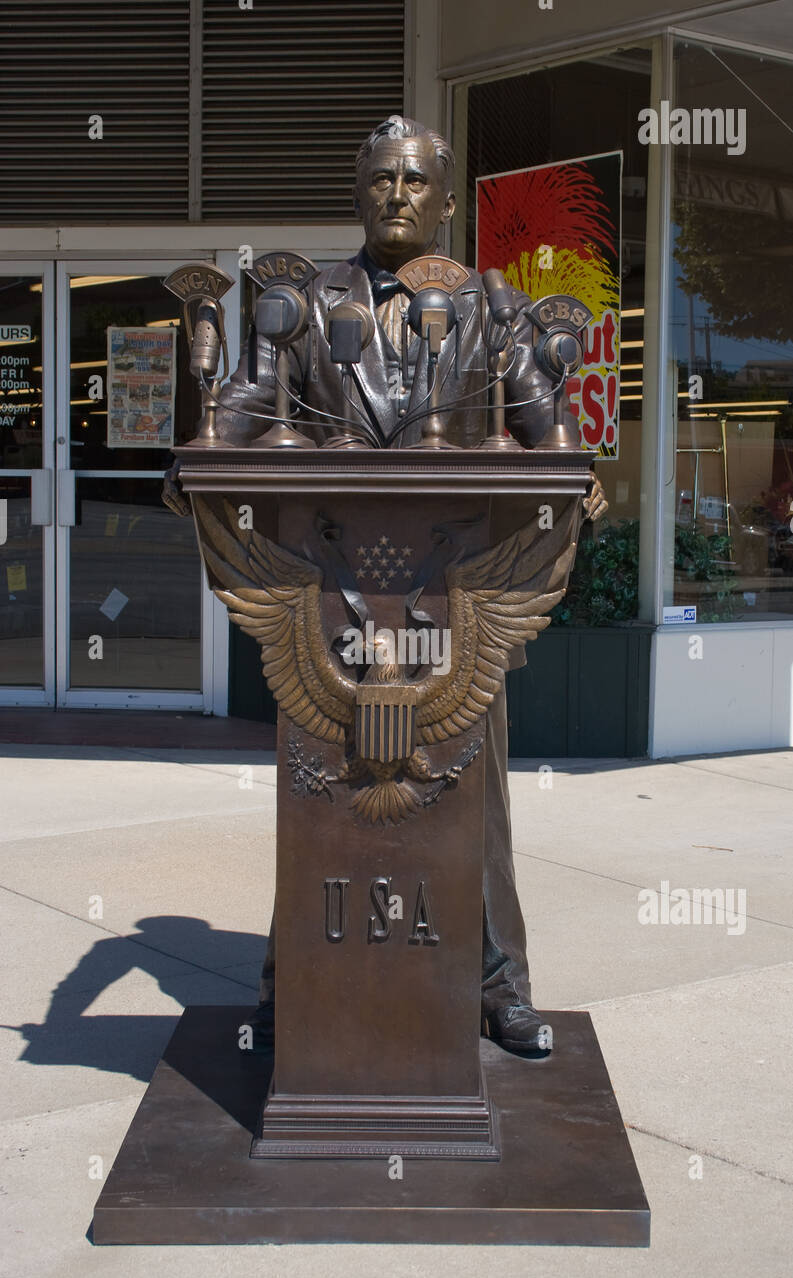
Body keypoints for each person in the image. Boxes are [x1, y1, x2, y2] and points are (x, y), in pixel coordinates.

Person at [165, 114, 607, 1057]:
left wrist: (568, 467)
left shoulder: (489, 305)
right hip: (327, 585)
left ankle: (496, 984)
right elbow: (249, 398)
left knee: (471, 786)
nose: (396, 196)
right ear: (357, 193)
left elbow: (536, 414)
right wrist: (201, 455)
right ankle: (298, 981)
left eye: (413, 183)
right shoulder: (303, 301)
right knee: (315, 776)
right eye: (379, 181)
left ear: (445, 202)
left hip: (454, 590)